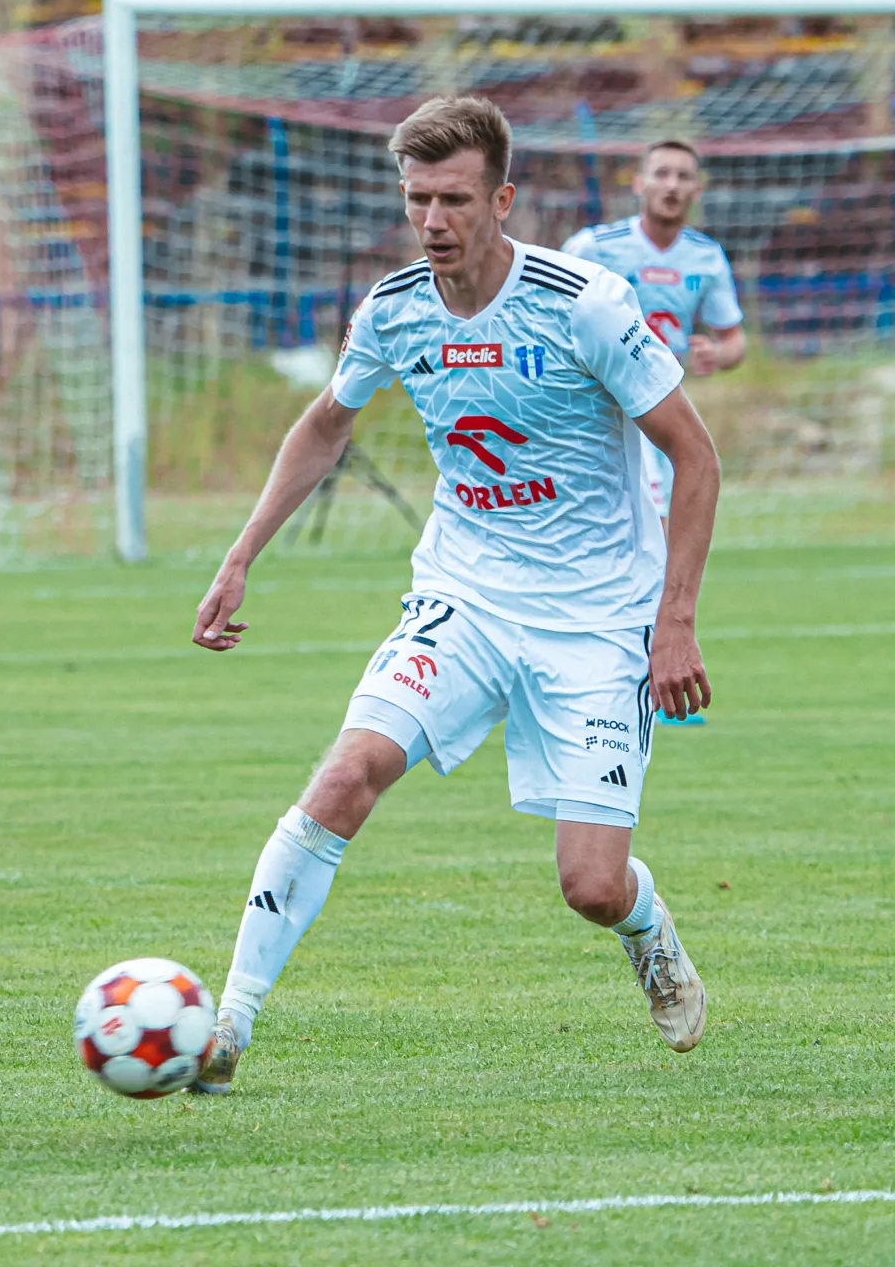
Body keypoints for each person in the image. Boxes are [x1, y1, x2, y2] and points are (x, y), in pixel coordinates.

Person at [187, 96, 719, 1094]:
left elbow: (696, 456)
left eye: (455, 200)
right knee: (345, 776)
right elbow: (326, 423)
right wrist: (240, 553)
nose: (432, 220)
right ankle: (227, 1025)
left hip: (599, 618)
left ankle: (648, 929)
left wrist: (673, 622)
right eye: (417, 199)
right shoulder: (393, 309)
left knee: (591, 886)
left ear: (502, 200)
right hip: (464, 598)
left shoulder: (585, 302)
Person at [562, 141, 745, 532]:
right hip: (600, 406)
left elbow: (734, 340)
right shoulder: (594, 247)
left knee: (660, 525)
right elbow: (550, 317)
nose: (672, 185)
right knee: (645, 525)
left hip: (661, 407)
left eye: (683, 176)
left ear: (698, 190)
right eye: (662, 174)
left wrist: (717, 353)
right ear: (639, 183)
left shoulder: (706, 257)